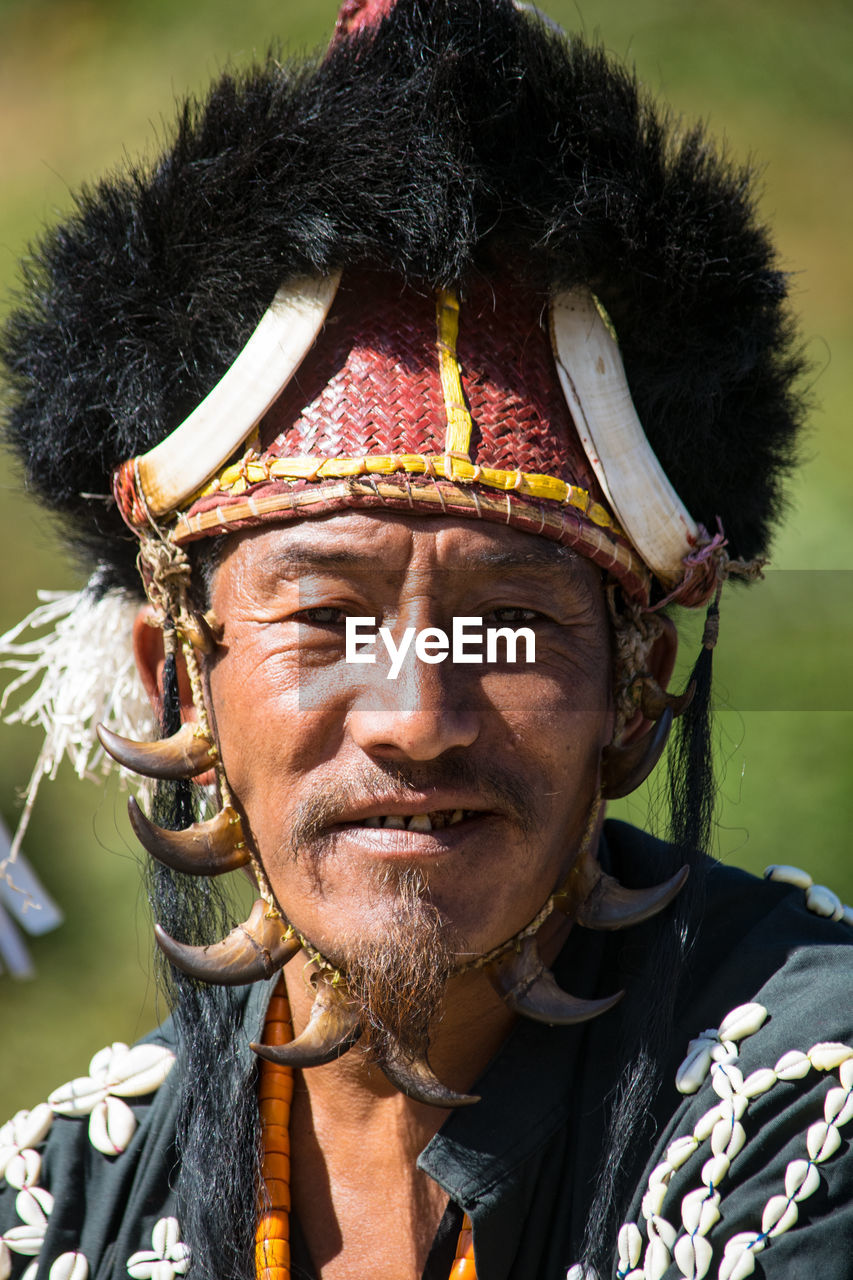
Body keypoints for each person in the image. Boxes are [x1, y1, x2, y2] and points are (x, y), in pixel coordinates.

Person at [0, 2, 851, 1278]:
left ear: (633, 692)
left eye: (509, 622)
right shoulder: (67, 1200)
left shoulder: (808, 1114)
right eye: (330, 618)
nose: (416, 714)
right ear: (177, 678)